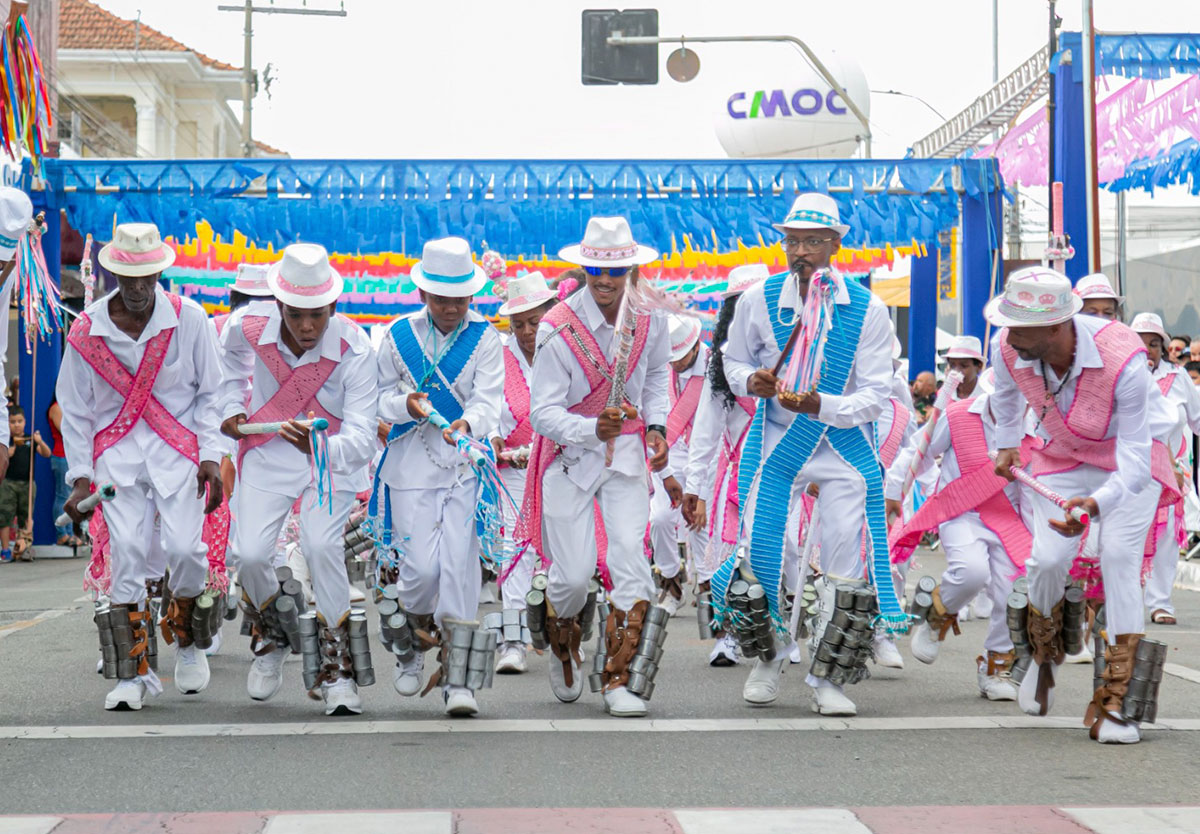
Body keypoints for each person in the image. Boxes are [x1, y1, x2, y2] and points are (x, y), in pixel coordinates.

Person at [711, 193, 899, 717]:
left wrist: (823, 403)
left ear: (835, 245)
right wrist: (752, 379)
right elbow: (731, 359)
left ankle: (828, 677)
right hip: (777, 446)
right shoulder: (759, 298)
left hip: (840, 446)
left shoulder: (868, 308)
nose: (802, 252)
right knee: (762, 553)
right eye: (793, 241)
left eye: (813, 242)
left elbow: (877, 394)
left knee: (843, 563)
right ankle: (767, 661)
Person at [988, 266, 1177, 744]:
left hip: (1126, 463)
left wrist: (1095, 505)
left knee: (1118, 558)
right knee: (1047, 560)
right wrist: (1008, 443)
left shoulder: (1125, 360)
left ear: (1056, 327)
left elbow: (1135, 460)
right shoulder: (1009, 346)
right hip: (1061, 457)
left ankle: (1118, 701)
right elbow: (1007, 396)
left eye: (1019, 326)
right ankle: (1042, 656)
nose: (1008, 335)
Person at [59, 222, 225, 711]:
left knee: (187, 552)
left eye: (146, 278)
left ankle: (189, 640)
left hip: (179, 456)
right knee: (128, 553)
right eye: (127, 278)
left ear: (159, 274)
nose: (136, 288)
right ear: (110, 272)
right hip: (118, 459)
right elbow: (76, 410)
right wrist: (80, 477)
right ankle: (134, 674)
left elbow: (211, 394)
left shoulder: (189, 319)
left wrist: (212, 458)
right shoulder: (87, 331)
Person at [520, 216, 671, 718]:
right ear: (583, 267)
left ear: (631, 268)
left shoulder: (650, 320)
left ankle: (619, 677)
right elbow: (543, 411)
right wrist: (590, 431)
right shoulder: (556, 324)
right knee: (574, 574)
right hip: (568, 460)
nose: (605, 280)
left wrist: (658, 429)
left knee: (630, 556)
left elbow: (653, 384)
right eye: (595, 270)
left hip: (625, 458)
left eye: (617, 270)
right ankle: (563, 637)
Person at [220, 242, 378, 716]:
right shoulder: (245, 324)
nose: (307, 326)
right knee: (247, 554)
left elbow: (363, 439)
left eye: (317, 314)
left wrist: (317, 447)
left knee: (321, 547)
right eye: (296, 314)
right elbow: (228, 367)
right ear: (278, 305)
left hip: (328, 463)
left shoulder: (355, 346)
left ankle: (338, 670)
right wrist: (233, 408)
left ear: (333, 305)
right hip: (267, 453)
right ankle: (273, 632)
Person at [375, 236, 503, 718]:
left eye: (460, 298)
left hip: (464, 468)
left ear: (471, 295)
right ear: (424, 295)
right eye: (441, 297)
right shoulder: (397, 335)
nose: (451, 307)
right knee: (420, 574)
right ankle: (408, 644)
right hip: (410, 466)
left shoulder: (486, 337)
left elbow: (490, 398)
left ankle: (458, 678)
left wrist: (469, 426)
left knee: (459, 570)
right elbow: (378, 397)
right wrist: (404, 405)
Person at [886, 359, 1035, 702]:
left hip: (1010, 520)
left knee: (1015, 590)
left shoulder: (1033, 428)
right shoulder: (957, 415)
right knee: (970, 572)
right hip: (962, 512)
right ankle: (937, 617)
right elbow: (919, 451)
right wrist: (895, 488)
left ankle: (997, 664)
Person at [684, 264, 767, 666]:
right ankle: (729, 636)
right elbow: (705, 431)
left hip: (786, 476)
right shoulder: (720, 365)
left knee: (779, 556)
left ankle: (778, 631)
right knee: (729, 558)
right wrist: (695, 489)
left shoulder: (794, 354)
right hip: (735, 479)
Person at [490, 270, 557, 674]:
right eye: (519, 324)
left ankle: (562, 633)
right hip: (513, 468)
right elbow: (487, 405)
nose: (528, 332)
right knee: (514, 550)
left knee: (564, 553)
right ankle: (512, 639)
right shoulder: (498, 357)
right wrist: (494, 437)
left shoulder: (566, 349)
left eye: (534, 322)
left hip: (563, 467)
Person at [1131, 313, 1200, 626]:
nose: (1148, 349)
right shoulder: (1119, 374)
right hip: (1129, 466)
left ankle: (1160, 602)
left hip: (1170, 469)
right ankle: (1127, 598)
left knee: (1169, 534)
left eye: (1155, 343)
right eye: (1141, 342)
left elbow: (1196, 419)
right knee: (1131, 533)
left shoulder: (1179, 378)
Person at [648, 313, 707, 616]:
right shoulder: (659, 365)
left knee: (699, 523)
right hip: (668, 453)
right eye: (672, 358)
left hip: (706, 455)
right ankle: (671, 582)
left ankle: (709, 589)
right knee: (658, 518)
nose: (676, 364)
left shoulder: (714, 367)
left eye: (681, 358)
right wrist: (666, 469)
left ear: (697, 346)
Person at [0, 406, 51, 561]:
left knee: (26, 517)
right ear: (7, 423)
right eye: (13, 422)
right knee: (4, 516)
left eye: (19, 421)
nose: (16, 425)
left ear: (25, 422)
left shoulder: (30, 439)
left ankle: (24, 548)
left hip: (27, 484)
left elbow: (47, 453)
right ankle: (5, 550)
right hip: (8, 483)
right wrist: (7, 454)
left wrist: (40, 442)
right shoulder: (6, 442)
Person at [47, 396, 78, 547]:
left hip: (70, 456)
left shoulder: (67, 405)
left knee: (71, 496)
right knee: (62, 496)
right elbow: (66, 431)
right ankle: (62, 534)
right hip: (61, 456)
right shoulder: (56, 408)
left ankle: (70, 533)